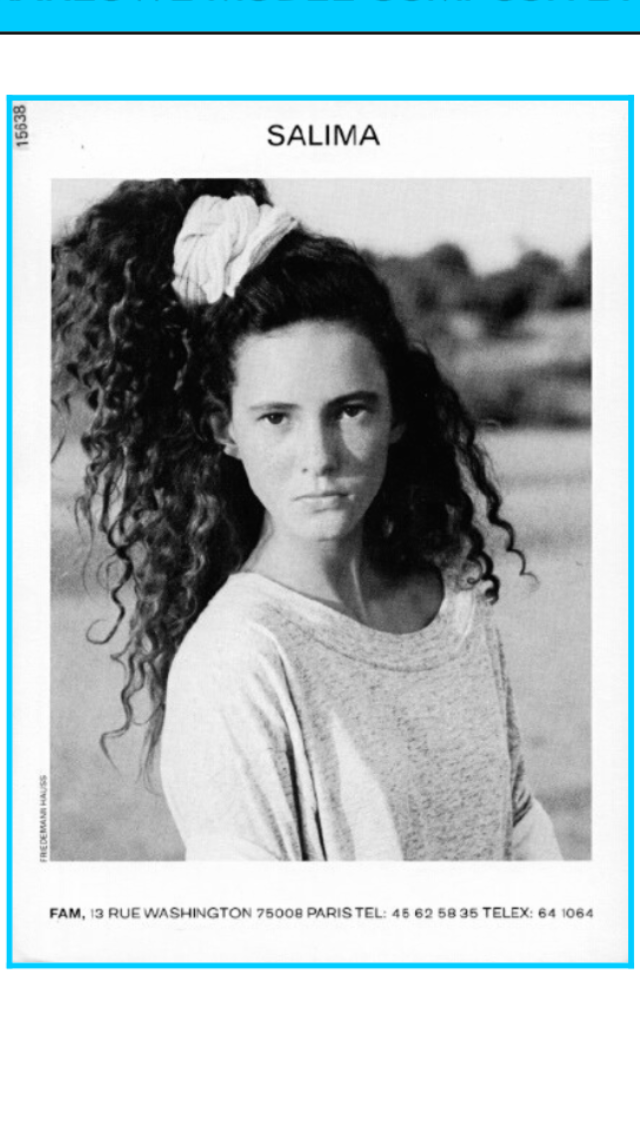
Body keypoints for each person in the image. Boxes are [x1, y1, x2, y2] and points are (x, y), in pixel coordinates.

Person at [52, 177, 561, 862]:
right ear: (225, 429)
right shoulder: (238, 662)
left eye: (350, 410)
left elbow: (523, 832)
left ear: (397, 413)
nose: (318, 458)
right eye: (276, 418)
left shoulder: (459, 612)